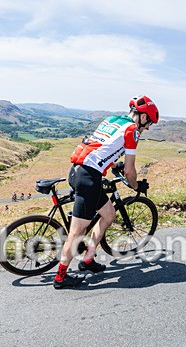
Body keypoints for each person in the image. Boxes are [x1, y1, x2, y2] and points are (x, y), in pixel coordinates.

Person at [53, 95, 157, 289]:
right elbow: (129, 170)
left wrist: (113, 163)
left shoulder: (111, 120)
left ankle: (88, 259)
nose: (148, 127)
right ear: (142, 117)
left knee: (108, 214)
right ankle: (60, 278)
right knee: (77, 232)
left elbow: (103, 148)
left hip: (80, 171)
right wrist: (136, 186)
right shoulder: (133, 130)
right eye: (149, 122)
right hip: (89, 179)